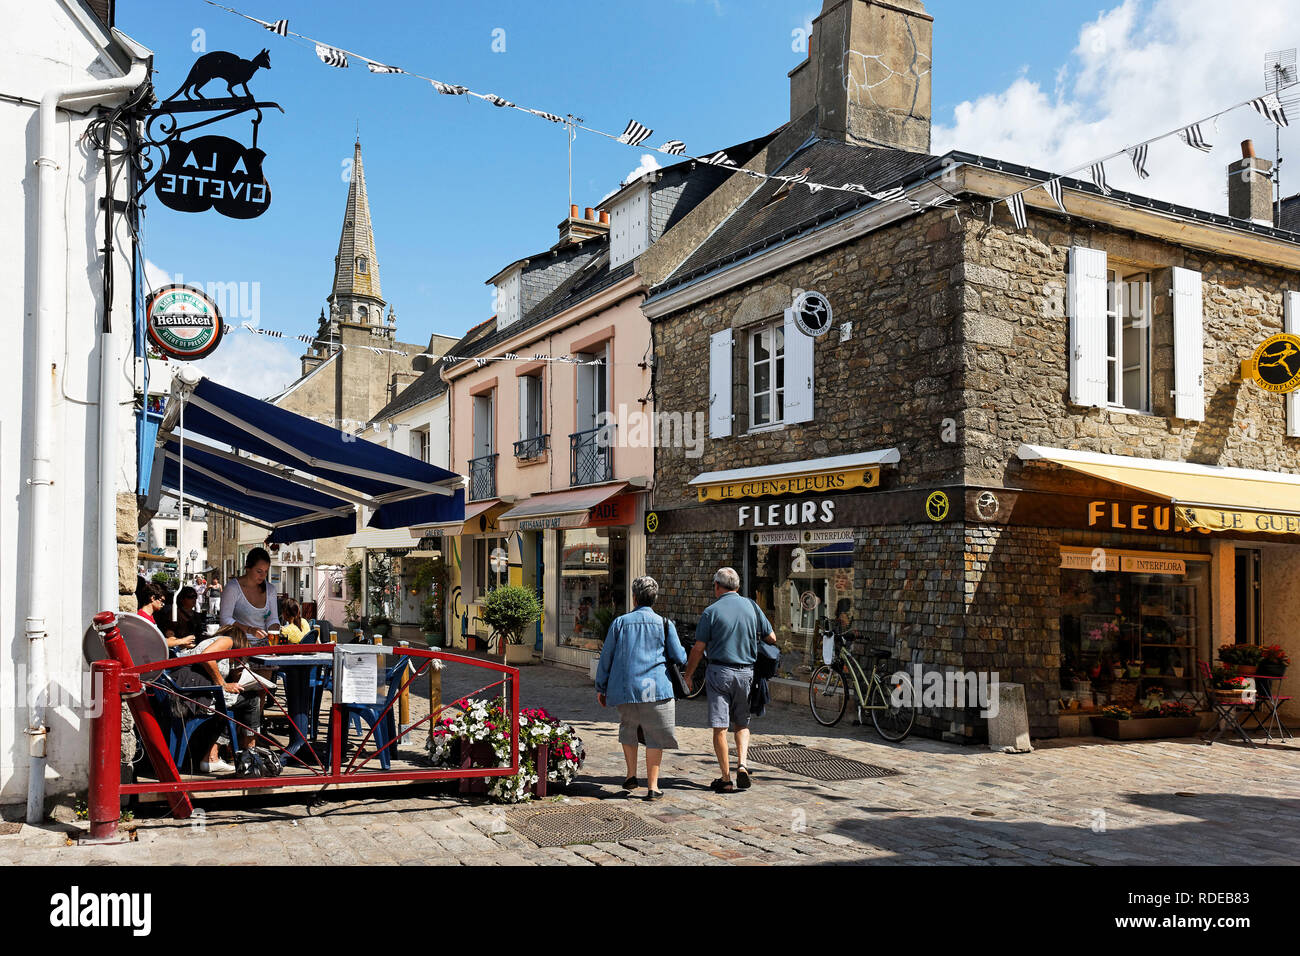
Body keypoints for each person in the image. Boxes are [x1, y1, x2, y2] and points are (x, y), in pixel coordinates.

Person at [682, 567, 777, 794]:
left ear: (717, 585)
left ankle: (725, 778)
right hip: (746, 674)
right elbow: (772, 638)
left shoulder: (711, 612)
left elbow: (698, 648)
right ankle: (742, 764)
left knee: (720, 727)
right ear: (737, 586)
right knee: (742, 723)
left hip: (719, 673)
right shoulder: (752, 606)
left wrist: (688, 675)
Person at [594, 576, 686, 801]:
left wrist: (601, 687)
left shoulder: (620, 623)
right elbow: (679, 656)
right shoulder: (665, 624)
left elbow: (607, 657)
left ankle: (630, 775)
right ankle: (653, 787)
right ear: (654, 598)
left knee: (628, 729)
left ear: (634, 597)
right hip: (657, 689)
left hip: (627, 689)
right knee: (655, 736)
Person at [177, 624, 266, 773]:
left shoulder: (215, 642)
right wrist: (223, 684)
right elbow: (206, 657)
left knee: (236, 702)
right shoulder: (228, 640)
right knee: (252, 700)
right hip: (194, 694)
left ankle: (213, 756)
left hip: (192, 691)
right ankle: (251, 753)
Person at [219, 547, 279, 643]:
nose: (263, 576)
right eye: (259, 571)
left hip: (263, 643)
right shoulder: (232, 588)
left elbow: (273, 618)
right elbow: (225, 619)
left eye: (266, 571)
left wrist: (275, 630)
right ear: (248, 568)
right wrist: (250, 630)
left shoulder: (271, 589)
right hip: (238, 643)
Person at [139, 581, 194, 653]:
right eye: (161, 601)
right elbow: (155, 643)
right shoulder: (143, 619)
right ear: (152, 598)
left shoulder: (149, 616)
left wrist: (182, 643)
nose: (163, 604)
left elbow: (158, 640)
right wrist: (181, 641)